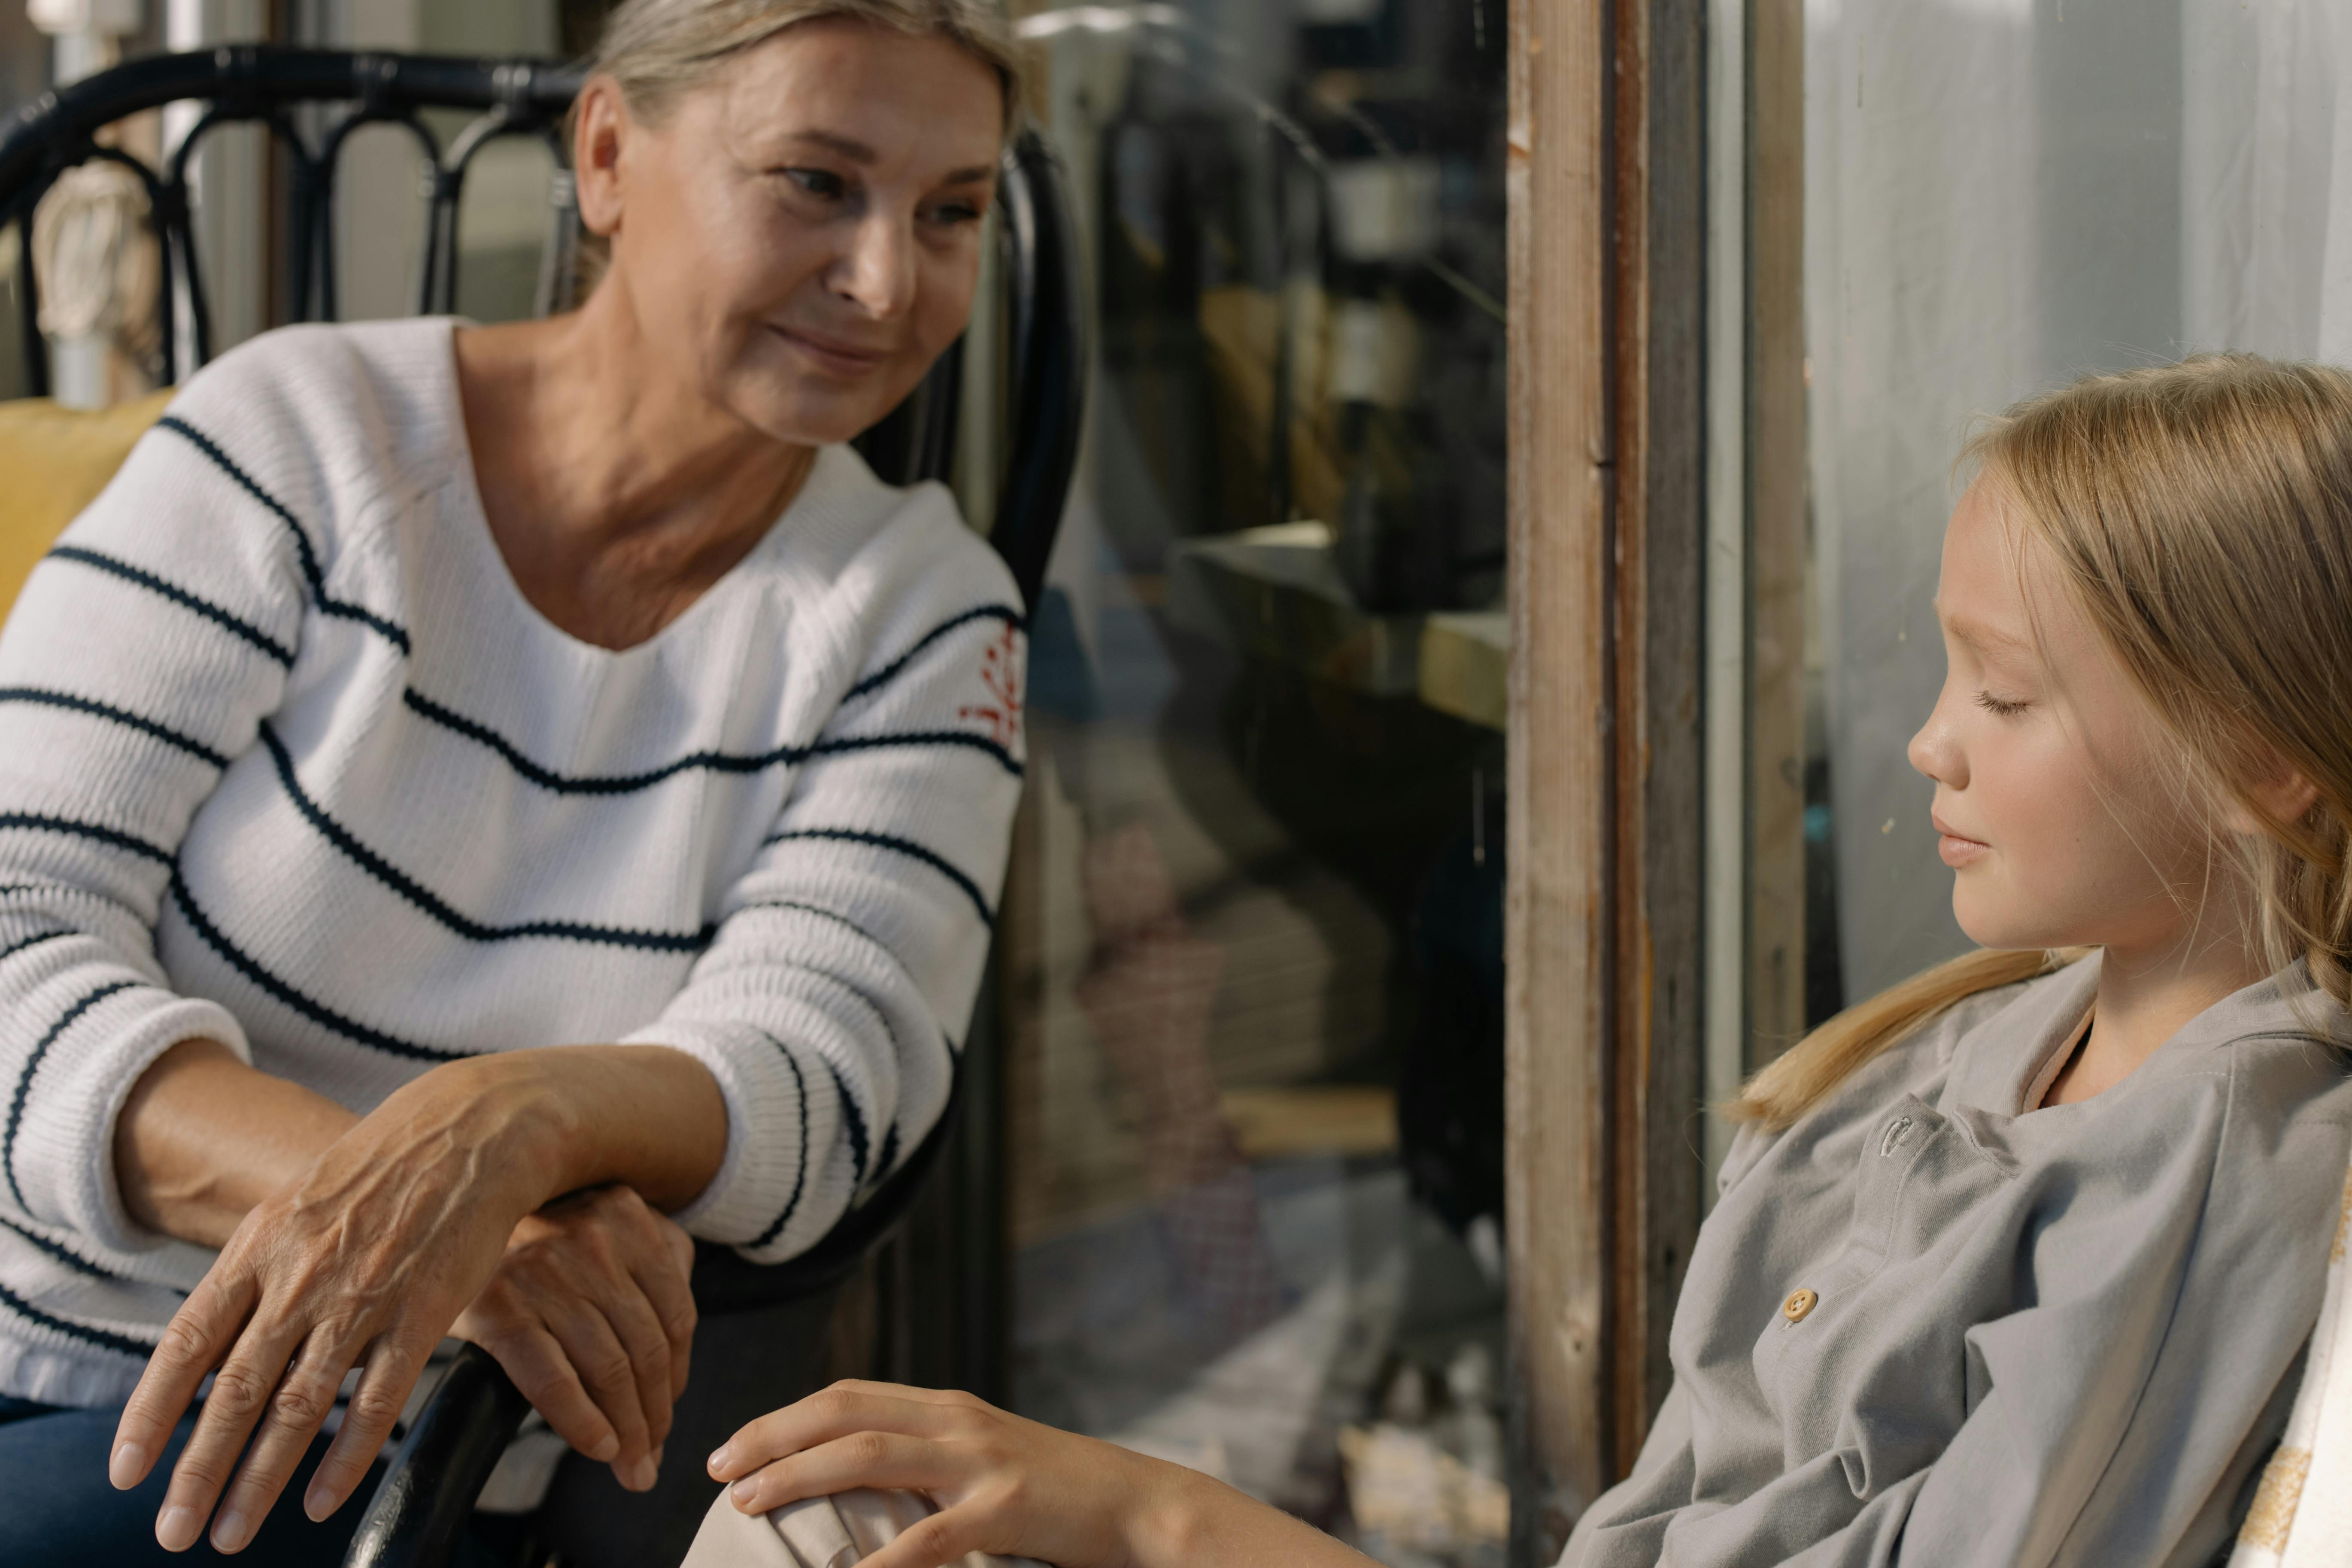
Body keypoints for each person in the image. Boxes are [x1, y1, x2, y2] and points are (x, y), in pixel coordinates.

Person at [692, 354, 2352, 1568]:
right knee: (829, 1505)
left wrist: (1158, 1519)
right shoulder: (1983, 1047)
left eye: (2004, 695)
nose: (1929, 744)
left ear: (2271, 754)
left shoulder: (2214, 1157)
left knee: (828, 1524)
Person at [0, 0, 1026, 1560]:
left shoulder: (924, 615)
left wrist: (524, 1122)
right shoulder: (302, 438)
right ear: (610, 154)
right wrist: (434, 1210)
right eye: (817, 183)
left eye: (951, 213)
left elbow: (825, 1083)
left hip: (359, 1456)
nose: (889, 282)